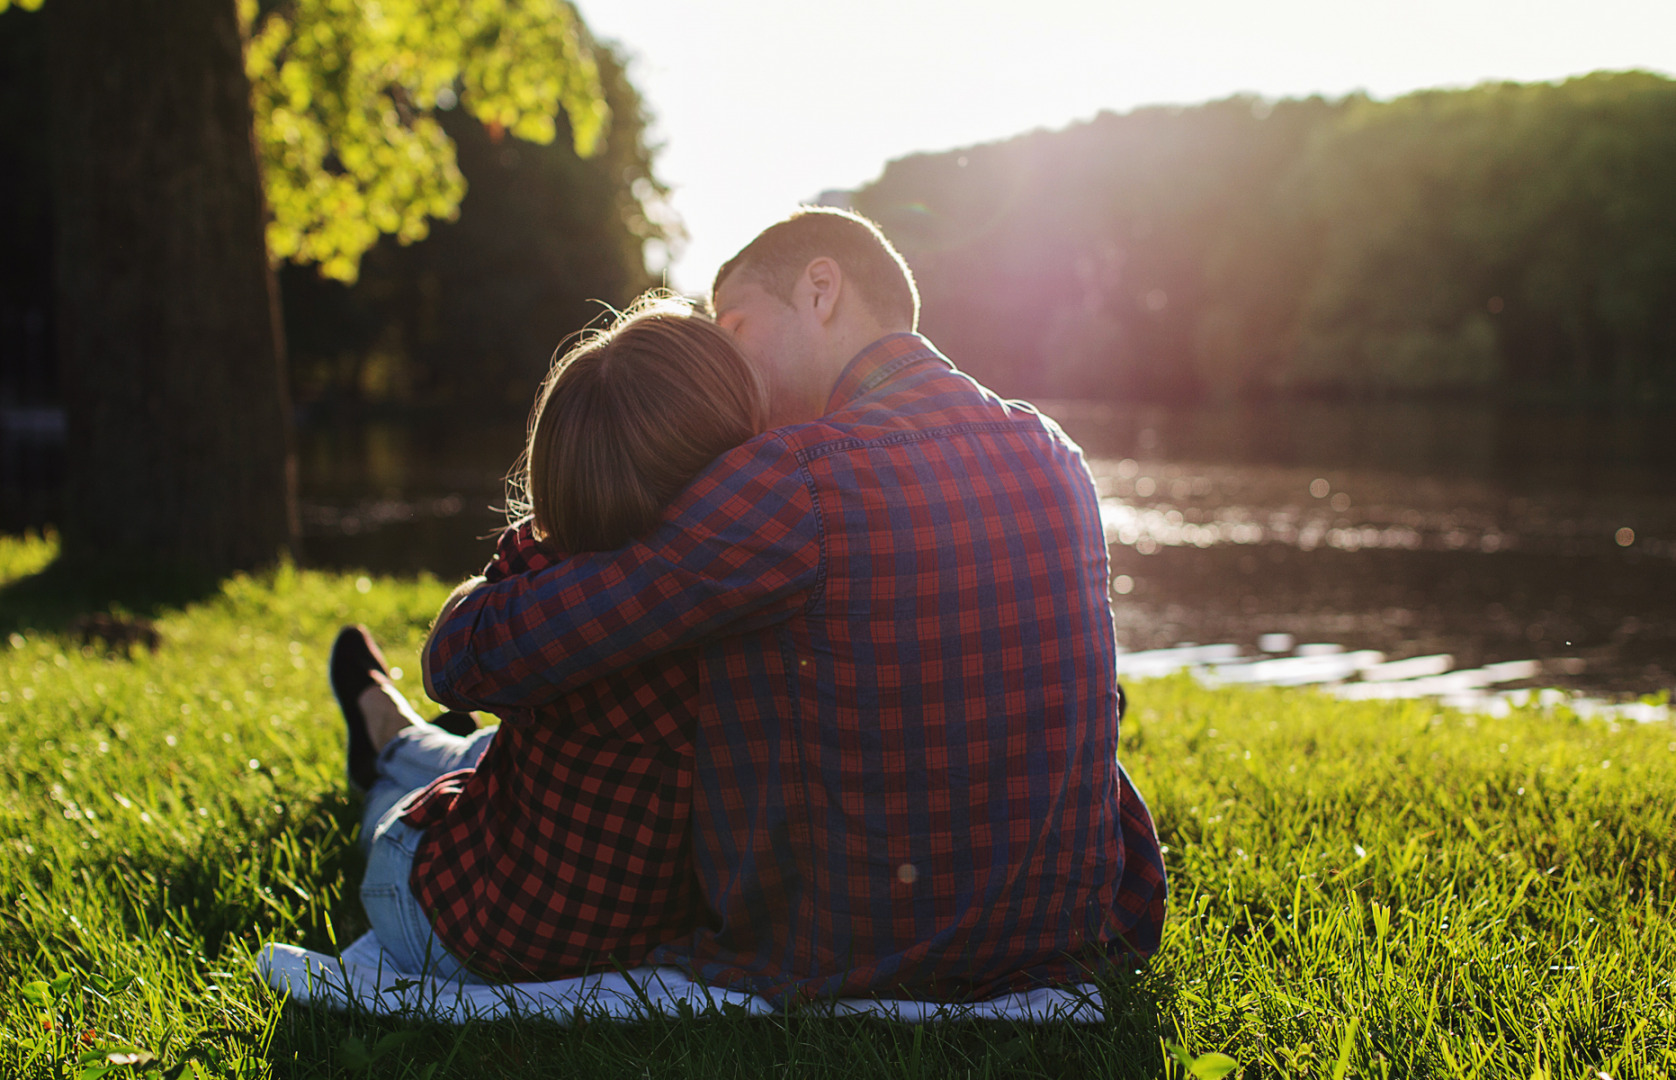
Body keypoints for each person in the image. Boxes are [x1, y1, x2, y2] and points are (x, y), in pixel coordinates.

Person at [424, 207, 1168, 1003]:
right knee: (460, 758)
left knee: (456, 763)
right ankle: (396, 736)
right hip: (1075, 934)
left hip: (849, 953)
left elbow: (487, 651)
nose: (727, 373)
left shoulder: (791, 481)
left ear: (821, 290)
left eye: (735, 328)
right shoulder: (1055, 455)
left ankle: (389, 735)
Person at [332, 293, 767, 981]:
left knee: (408, 815)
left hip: (464, 927)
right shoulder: (754, 583)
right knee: (490, 753)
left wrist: (520, 561)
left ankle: (385, 745)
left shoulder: (543, 578)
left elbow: (450, 663)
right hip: (639, 926)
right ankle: (396, 735)